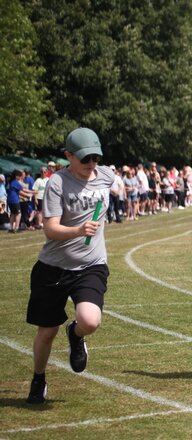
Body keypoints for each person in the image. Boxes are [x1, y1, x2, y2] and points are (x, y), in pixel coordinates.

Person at [25, 127, 114, 404]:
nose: (91, 165)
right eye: (85, 159)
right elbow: (50, 229)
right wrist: (78, 231)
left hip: (91, 264)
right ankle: (39, 378)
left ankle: (75, 335)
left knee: (90, 320)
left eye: (95, 159)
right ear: (68, 156)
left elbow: (109, 176)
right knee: (47, 331)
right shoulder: (57, 184)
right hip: (53, 267)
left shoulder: (106, 175)